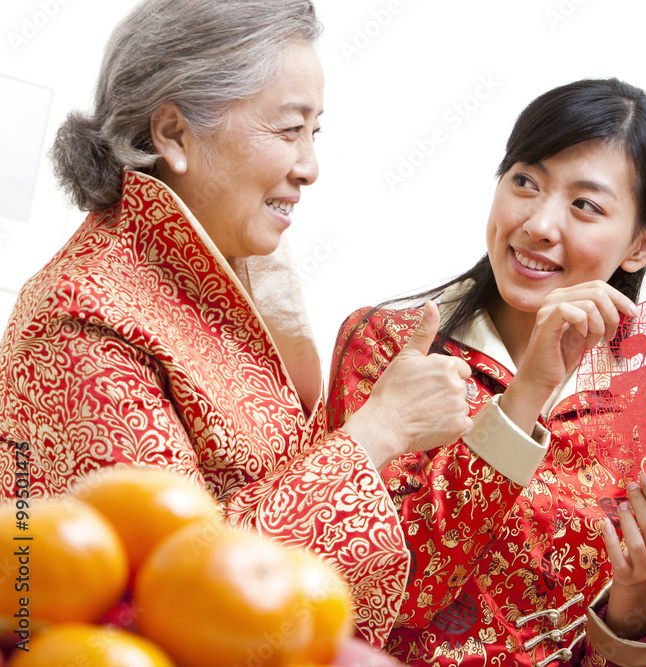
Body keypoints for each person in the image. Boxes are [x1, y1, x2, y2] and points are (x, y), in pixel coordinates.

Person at [0, 0, 473, 647]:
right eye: (288, 130)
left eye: (316, 132)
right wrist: (378, 429)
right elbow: (170, 600)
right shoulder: (85, 319)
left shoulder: (209, 280)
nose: (309, 167)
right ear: (172, 134)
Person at [328, 78, 646, 667]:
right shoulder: (390, 346)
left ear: (645, 244)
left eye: (585, 205)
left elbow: (616, 646)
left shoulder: (643, 400)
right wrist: (527, 397)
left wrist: (638, 603)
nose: (540, 224)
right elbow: (380, 589)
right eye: (525, 181)